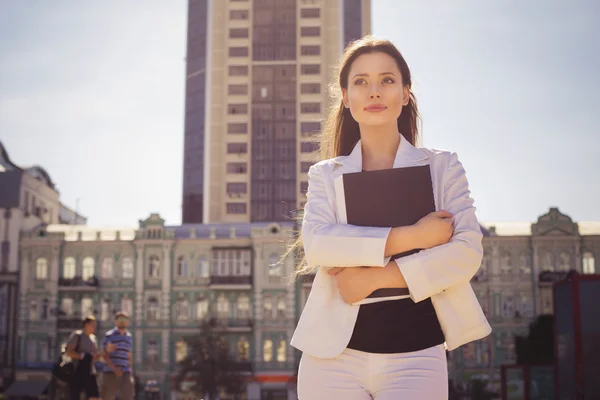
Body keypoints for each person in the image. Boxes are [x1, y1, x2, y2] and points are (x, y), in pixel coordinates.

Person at [290, 35, 492, 399]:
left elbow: (465, 254)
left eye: (387, 80)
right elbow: (319, 245)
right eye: (360, 82)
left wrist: (373, 278)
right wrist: (415, 237)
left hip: (417, 354)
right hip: (331, 358)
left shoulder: (441, 166)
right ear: (347, 97)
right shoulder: (326, 174)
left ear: (405, 93)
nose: (374, 92)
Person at [65, 316, 107, 400]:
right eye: (93, 324)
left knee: (95, 396)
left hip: (90, 371)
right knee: (75, 396)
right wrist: (82, 356)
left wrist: (102, 354)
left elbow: (94, 357)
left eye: (96, 325)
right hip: (77, 371)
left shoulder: (93, 339)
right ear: (86, 325)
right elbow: (69, 352)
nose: (95, 327)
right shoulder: (77, 335)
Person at [101, 311, 134, 400]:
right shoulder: (109, 335)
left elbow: (129, 355)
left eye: (124, 319)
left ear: (127, 322)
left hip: (125, 372)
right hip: (110, 372)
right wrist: (114, 368)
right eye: (120, 319)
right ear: (115, 321)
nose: (122, 321)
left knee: (127, 396)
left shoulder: (129, 336)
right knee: (107, 397)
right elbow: (104, 354)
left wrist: (130, 372)